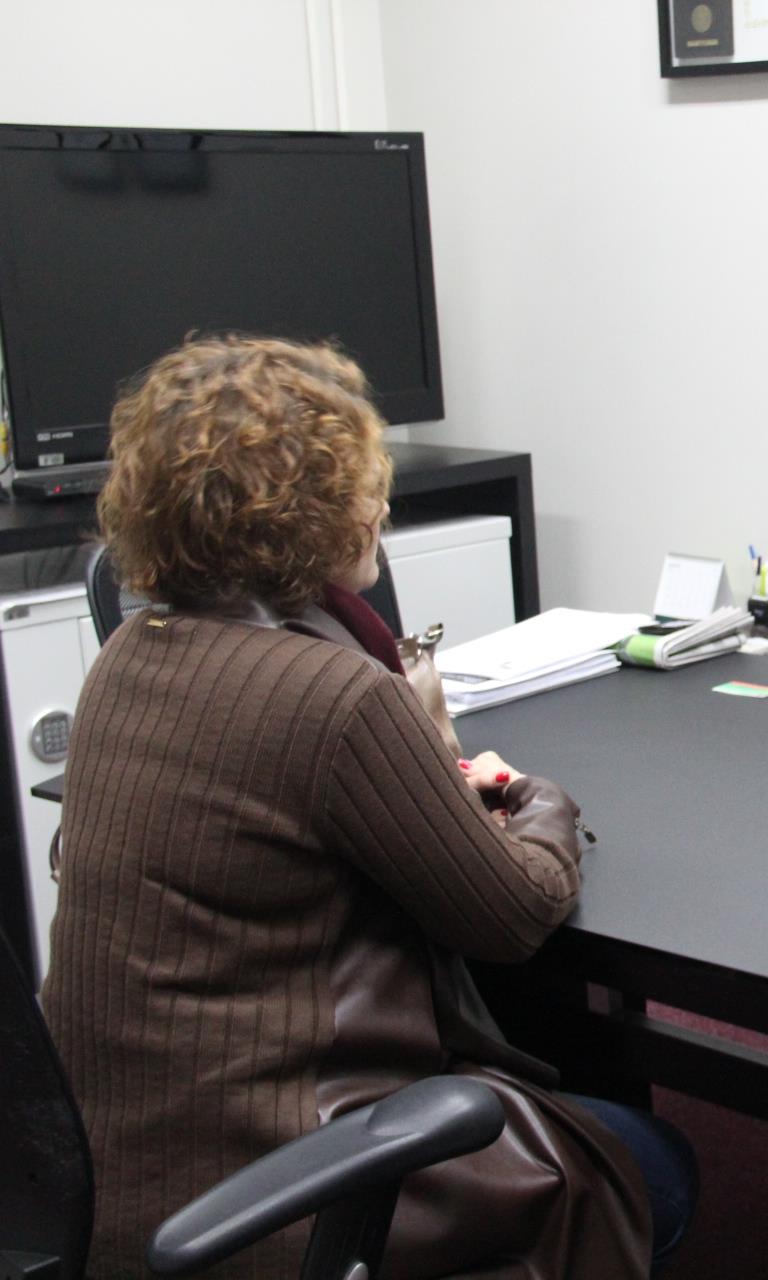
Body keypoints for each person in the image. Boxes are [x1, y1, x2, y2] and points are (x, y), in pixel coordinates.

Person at [41, 336, 694, 1278]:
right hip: (285, 1195)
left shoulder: (123, 663)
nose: (380, 502)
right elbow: (512, 914)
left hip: (111, 1190)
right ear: (300, 507)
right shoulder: (330, 694)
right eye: (360, 479)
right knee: (657, 1170)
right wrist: (536, 797)